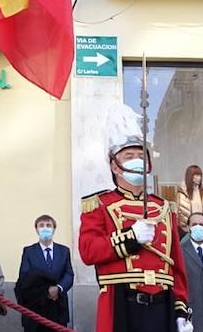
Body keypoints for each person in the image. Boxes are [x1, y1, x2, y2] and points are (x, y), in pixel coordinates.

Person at [78, 104, 191, 332]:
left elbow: (177, 265)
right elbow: (88, 251)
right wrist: (130, 238)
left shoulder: (163, 207)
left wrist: (181, 310)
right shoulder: (99, 204)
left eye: (141, 155)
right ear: (114, 165)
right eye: (128, 156)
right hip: (121, 301)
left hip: (163, 302)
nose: (136, 160)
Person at [16, 214, 74, 332]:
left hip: (58, 306)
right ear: (36, 229)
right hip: (36, 307)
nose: (45, 228)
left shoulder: (64, 251)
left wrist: (58, 288)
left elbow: (69, 274)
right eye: (41, 225)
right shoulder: (29, 251)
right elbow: (25, 276)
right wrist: (45, 291)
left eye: (48, 225)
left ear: (54, 229)